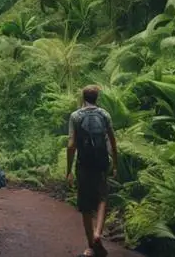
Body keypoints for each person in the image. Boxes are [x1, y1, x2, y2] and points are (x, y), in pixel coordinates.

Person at [66, 85, 118, 257]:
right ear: (97, 98)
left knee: (85, 204)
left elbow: (71, 145)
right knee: (102, 198)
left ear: (83, 98)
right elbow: (112, 141)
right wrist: (115, 164)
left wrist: (69, 170)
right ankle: (98, 233)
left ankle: (90, 245)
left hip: (84, 165)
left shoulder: (75, 116)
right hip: (101, 163)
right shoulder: (104, 114)